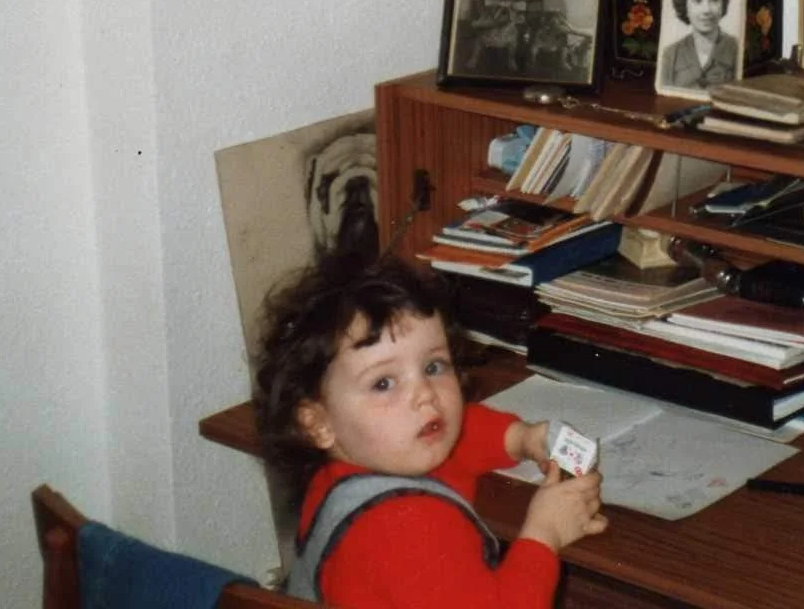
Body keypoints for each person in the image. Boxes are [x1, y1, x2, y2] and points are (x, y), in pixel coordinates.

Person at [255, 252, 606, 608]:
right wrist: (544, 533)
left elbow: (452, 430)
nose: (425, 395)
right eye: (384, 383)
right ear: (319, 423)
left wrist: (519, 438)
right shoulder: (411, 529)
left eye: (433, 366)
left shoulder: (347, 471)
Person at [659, 0, 739, 91]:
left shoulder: (736, 48)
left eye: (714, 0)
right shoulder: (670, 55)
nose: (706, 9)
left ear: (723, 5)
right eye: (697, 0)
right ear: (685, 7)